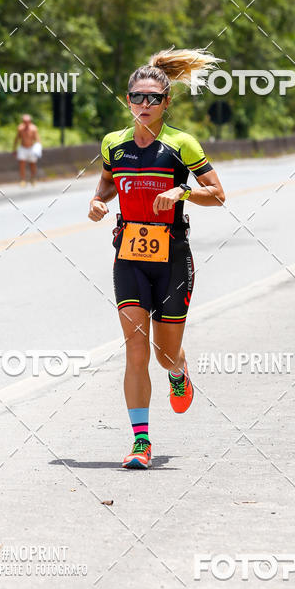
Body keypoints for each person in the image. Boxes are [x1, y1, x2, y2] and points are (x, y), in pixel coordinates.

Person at [88, 48, 226, 469]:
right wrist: (97, 201)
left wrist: (182, 191)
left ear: (167, 102)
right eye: (136, 97)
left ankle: (178, 370)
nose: (143, 104)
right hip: (128, 255)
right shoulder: (114, 143)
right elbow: (109, 184)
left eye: (152, 98)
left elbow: (217, 195)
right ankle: (140, 442)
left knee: (165, 355)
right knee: (134, 352)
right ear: (127, 100)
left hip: (172, 256)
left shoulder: (181, 144)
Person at [13, 114, 39, 186]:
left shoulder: (34, 128)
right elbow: (17, 139)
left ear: (30, 121)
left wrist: (38, 149)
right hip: (23, 148)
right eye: (24, 121)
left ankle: (33, 178)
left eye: (27, 121)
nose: (26, 123)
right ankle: (23, 180)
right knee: (22, 164)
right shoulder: (20, 128)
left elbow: (37, 139)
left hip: (31, 148)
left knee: (32, 164)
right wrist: (14, 149)